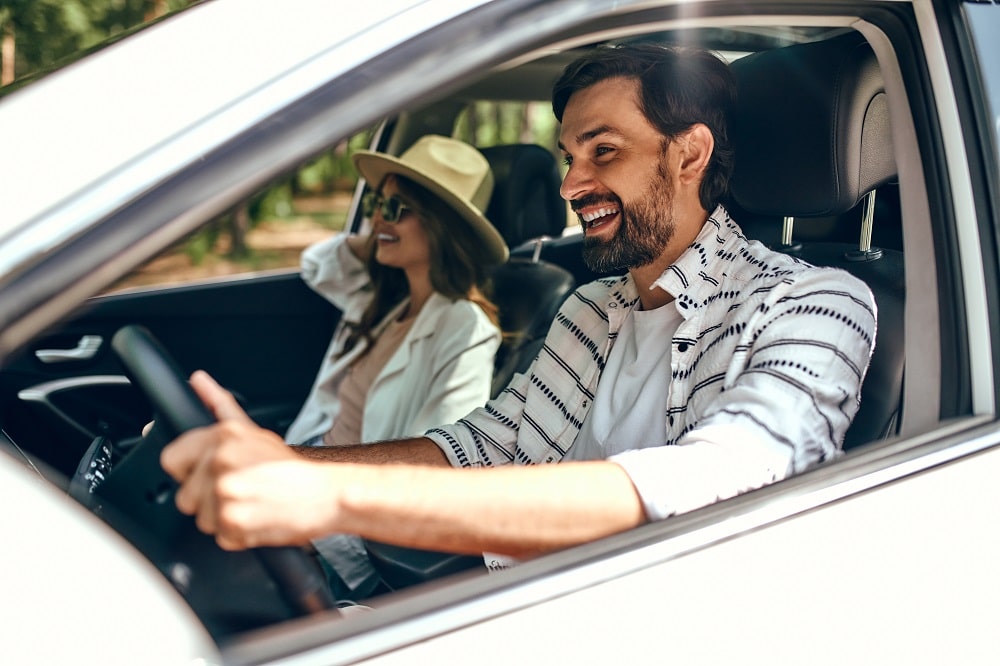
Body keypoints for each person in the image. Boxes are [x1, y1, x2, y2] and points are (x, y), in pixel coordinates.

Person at [161, 44, 876, 579]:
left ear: (689, 156)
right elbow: (476, 447)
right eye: (568, 154)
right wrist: (288, 464)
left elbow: (714, 482)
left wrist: (327, 494)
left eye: (603, 151)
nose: (572, 183)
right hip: (519, 601)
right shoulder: (592, 309)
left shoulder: (816, 305)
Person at [282, 134, 508, 595]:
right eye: (376, 204)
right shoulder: (384, 300)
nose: (379, 218)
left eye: (397, 208)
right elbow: (316, 265)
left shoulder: (464, 328)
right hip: (307, 464)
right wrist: (380, 232)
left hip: (341, 515)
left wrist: (314, 528)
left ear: (442, 226)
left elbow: (438, 462)